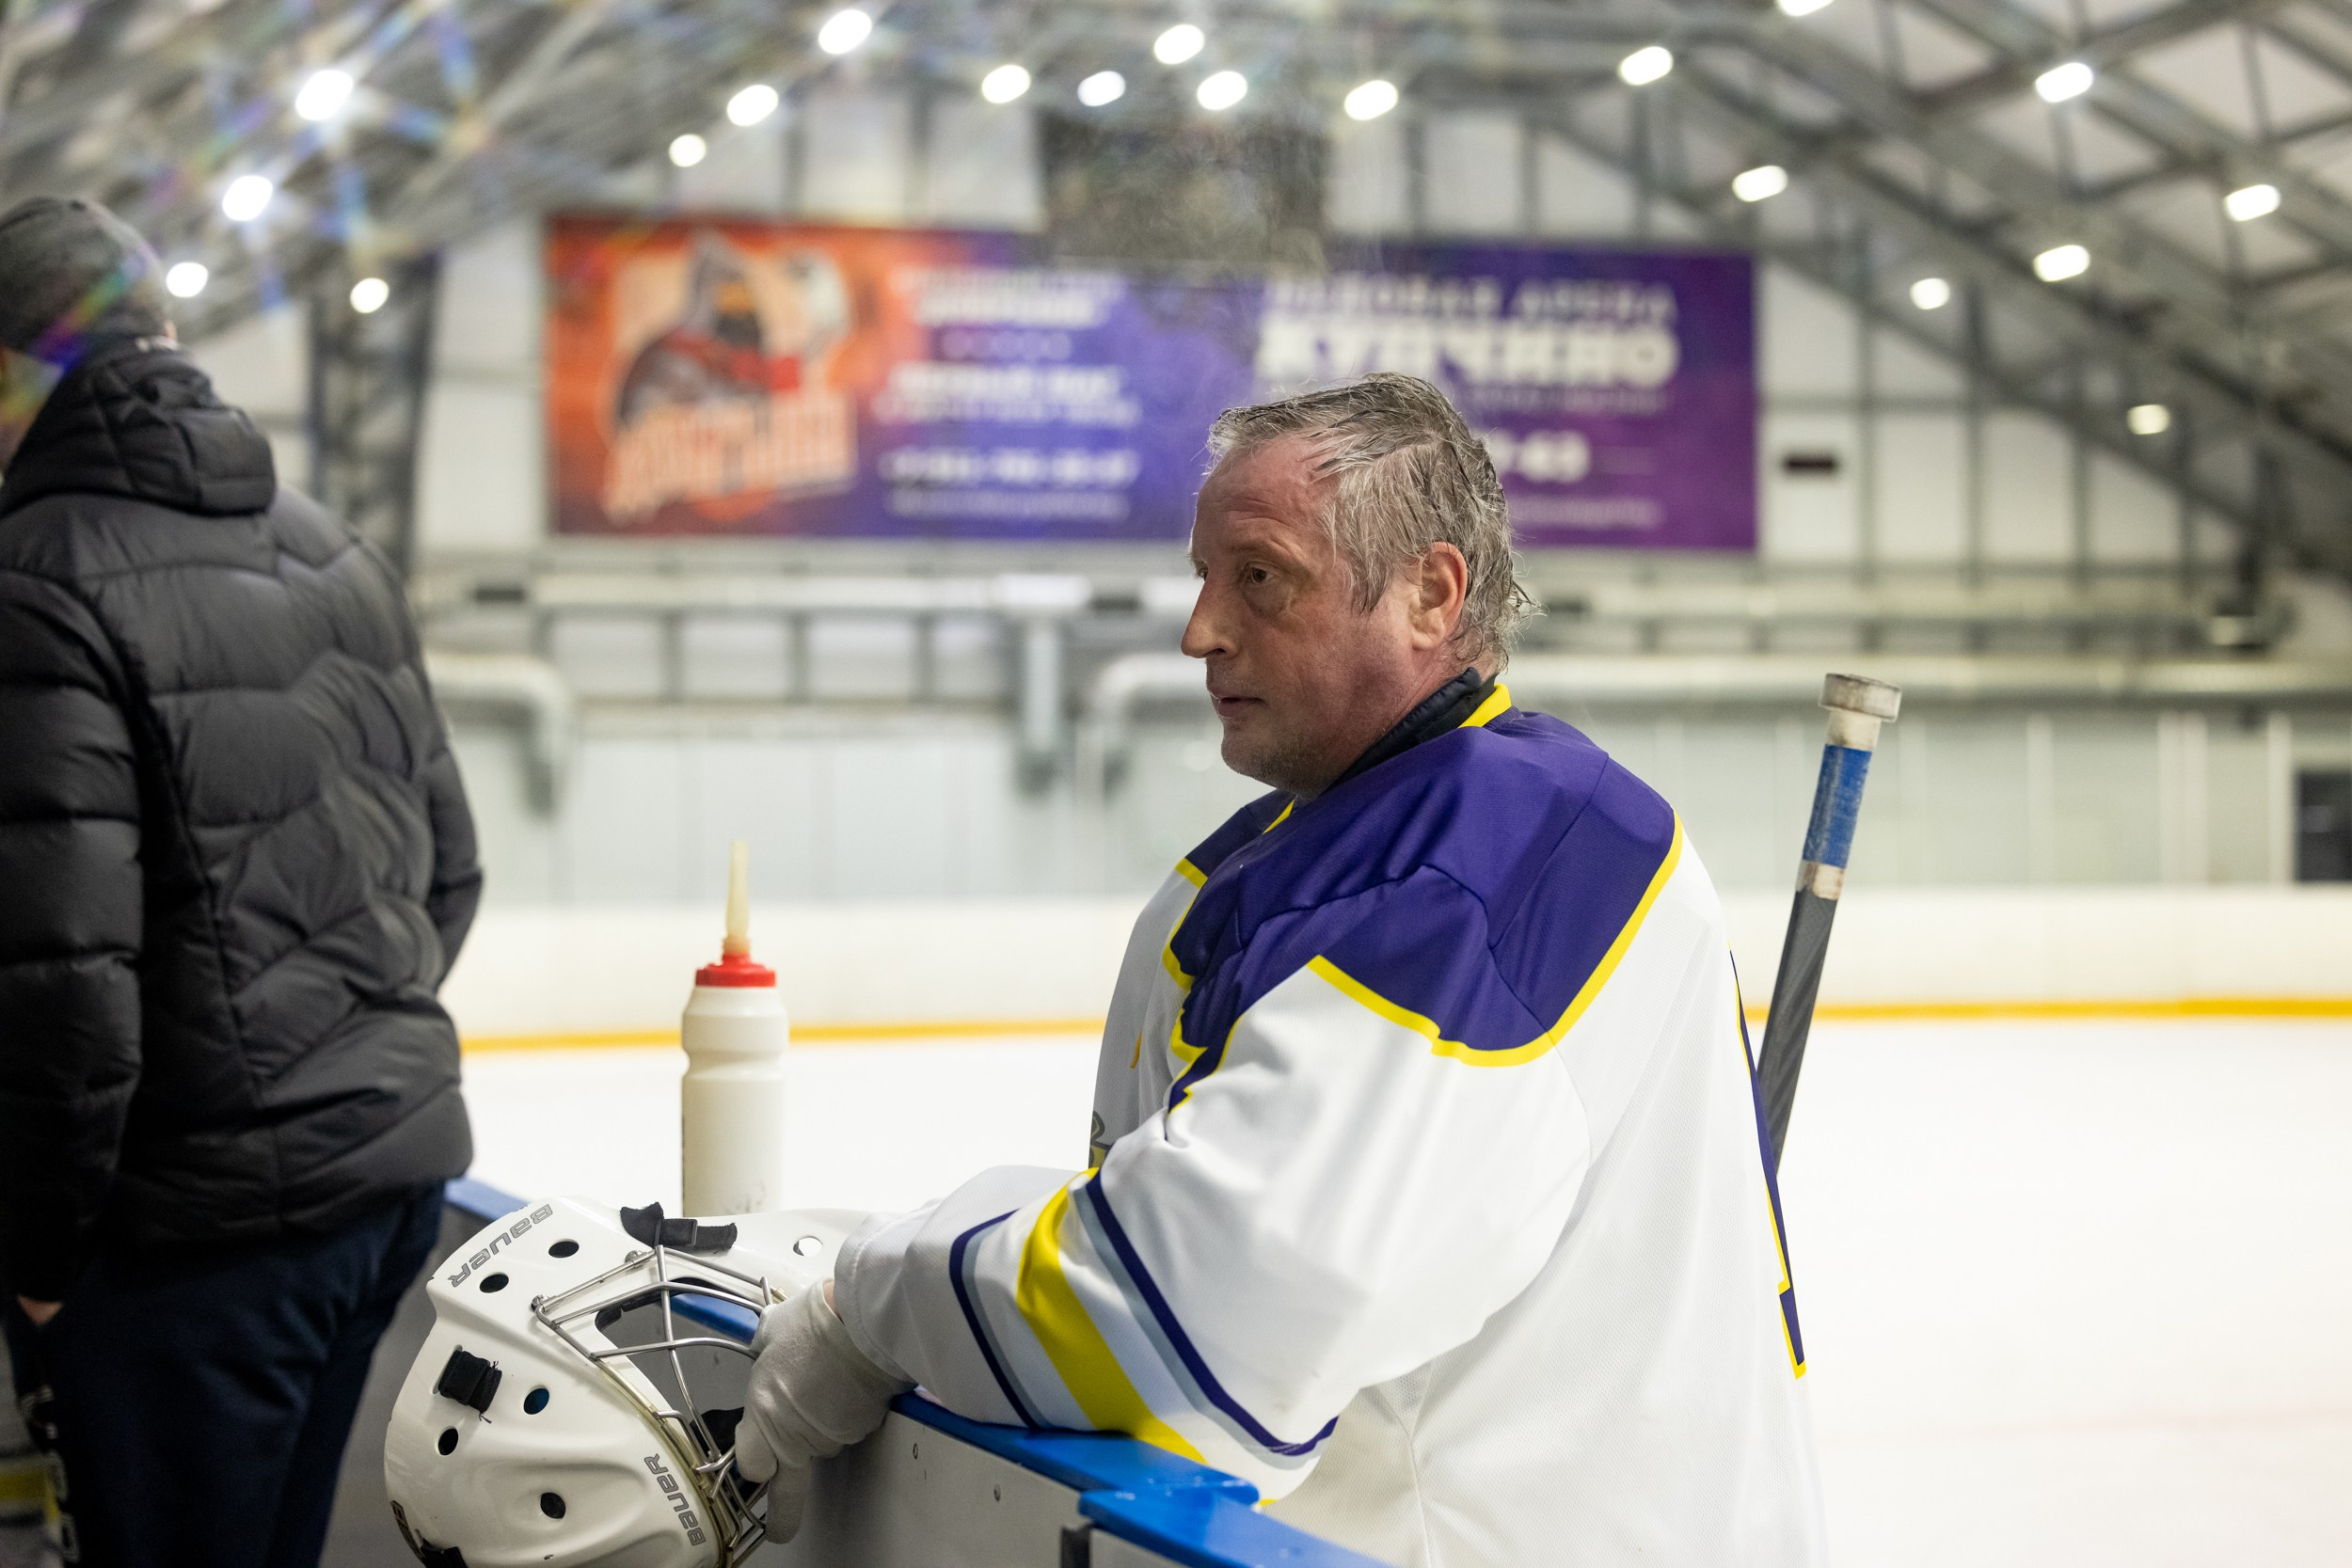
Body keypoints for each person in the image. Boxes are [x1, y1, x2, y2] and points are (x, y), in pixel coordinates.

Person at [735, 372, 1825, 1565]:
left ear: (1428, 591)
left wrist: (861, 1313)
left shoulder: (1489, 855)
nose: (1200, 627)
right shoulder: (1361, 835)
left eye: (1259, 576)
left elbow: (1200, 1310)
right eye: (1202, 577)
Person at [0, 197, 481, 1567]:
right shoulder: (333, 545)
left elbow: (62, 999)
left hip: (189, 1243)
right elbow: (447, 873)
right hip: (379, 1192)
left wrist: (40, 1261)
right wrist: (314, 1050)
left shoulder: (35, 581)